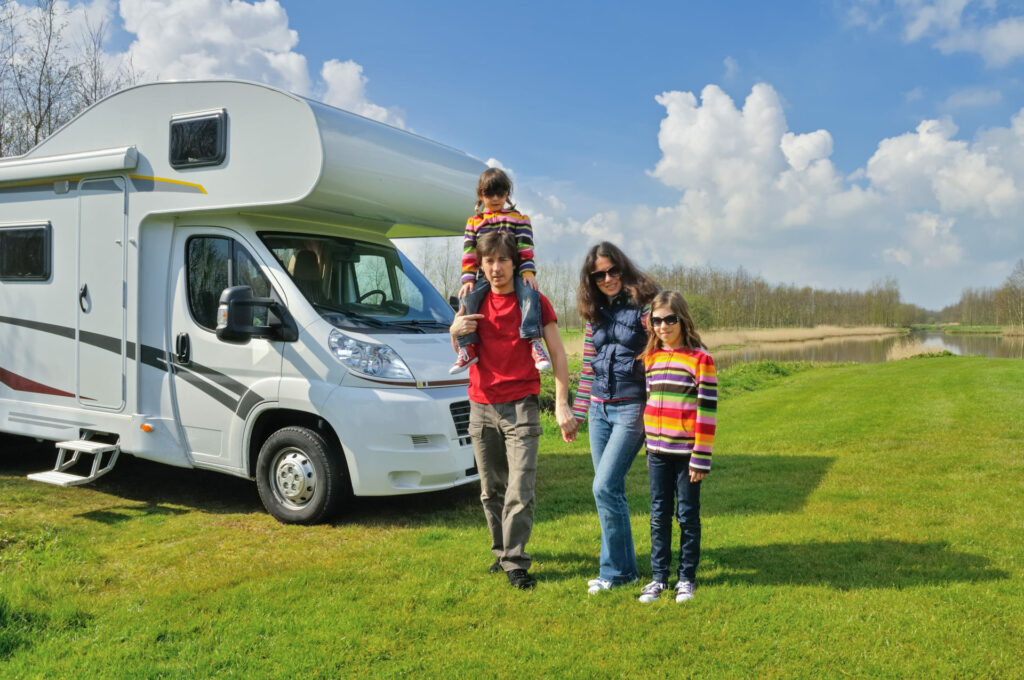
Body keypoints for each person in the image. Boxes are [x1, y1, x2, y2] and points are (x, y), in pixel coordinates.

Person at [449, 231, 578, 590]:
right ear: (481, 265)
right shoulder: (473, 301)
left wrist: (562, 402)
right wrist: (453, 329)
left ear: (514, 263)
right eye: (488, 261)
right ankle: (501, 553)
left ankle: (516, 562)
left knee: (520, 487)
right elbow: (460, 349)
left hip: (522, 406)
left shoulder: (534, 302)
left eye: (502, 260)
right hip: (480, 405)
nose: (495, 268)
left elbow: (558, 355)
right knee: (490, 489)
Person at [572, 242, 660, 595]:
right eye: (600, 274)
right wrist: (577, 414)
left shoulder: (644, 309)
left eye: (613, 271)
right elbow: (588, 367)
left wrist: (657, 412)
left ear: (623, 269)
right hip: (598, 410)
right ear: (591, 279)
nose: (607, 279)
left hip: (630, 410)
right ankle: (622, 570)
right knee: (610, 492)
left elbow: (658, 357)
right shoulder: (595, 313)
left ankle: (615, 571)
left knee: (603, 486)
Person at [636, 291, 717, 604]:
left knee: (687, 515)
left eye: (670, 319)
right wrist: (648, 449)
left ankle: (686, 578)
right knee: (658, 515)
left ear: (682, 319)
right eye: (656, 320)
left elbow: (707, 413)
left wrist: (700, 457)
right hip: (657, 452)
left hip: (687, 455)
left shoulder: (700, 359)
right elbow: (651, 402)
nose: (663, 326)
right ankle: (659, 578)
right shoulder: (651, 359)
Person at [449, 168, 551, 375]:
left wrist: (528, 273)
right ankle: (467, 348)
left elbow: (525, 248)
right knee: (467, 298)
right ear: (481, 195)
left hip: (513, 273)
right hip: (483, 276)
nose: (495, 199)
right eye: (489, 194)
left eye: (500, 193)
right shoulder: (474, 222)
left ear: (507, 194)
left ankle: (534, 341)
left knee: (530, 294)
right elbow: (469, 252)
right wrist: (468, 279)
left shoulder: (519, 219)